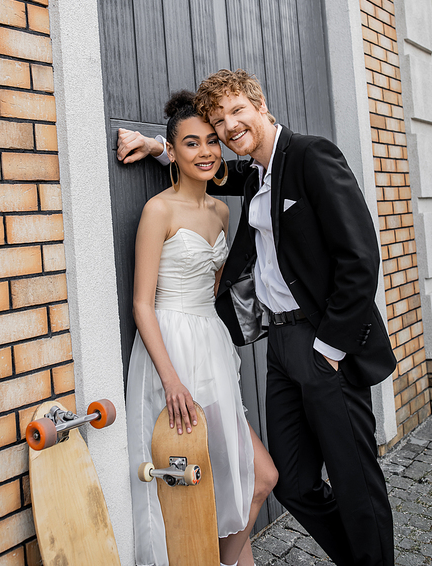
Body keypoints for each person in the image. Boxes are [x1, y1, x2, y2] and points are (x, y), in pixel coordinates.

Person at [118, 70, 397, 566]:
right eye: (218, 120)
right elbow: (209, 168)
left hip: (323, 344)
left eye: (235, 112)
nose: (227, 127)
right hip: (279, 350)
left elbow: (360, 259)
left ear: (260, 104)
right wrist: (158, 146)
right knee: (289, 479)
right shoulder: (255, 174)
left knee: (354, 479)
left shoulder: (312, 156)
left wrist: (330, 350)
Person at [125, 91, 278, 566]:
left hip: (210, 342)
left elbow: (213, 288)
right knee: (189, 480)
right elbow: (141, 304)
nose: (206, 151)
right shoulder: (159, 211)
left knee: (252, 477)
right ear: (171, 151)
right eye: (191, 144)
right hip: (171, 348)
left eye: (212, 141)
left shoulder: (222, 212)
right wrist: (171, 380)